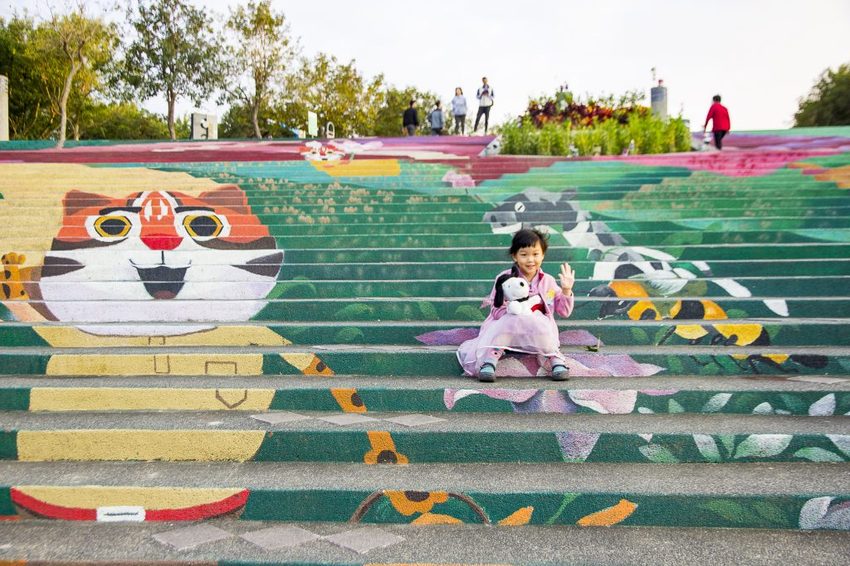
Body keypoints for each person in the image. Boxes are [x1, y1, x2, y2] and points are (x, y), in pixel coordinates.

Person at [457, 228, 576, 382]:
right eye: (524, 254)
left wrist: (566, 290)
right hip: (507, 327)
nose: (530, 260)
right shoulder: (505, 278)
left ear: (543, 255)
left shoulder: (548, 281)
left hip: (538, 330)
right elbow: (496, 309)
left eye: (535, 254)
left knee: (538, 320)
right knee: (513, 318)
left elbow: (564, 311)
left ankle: (555, 358)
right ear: (515, 256)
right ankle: (490, 360)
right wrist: (513, 312)